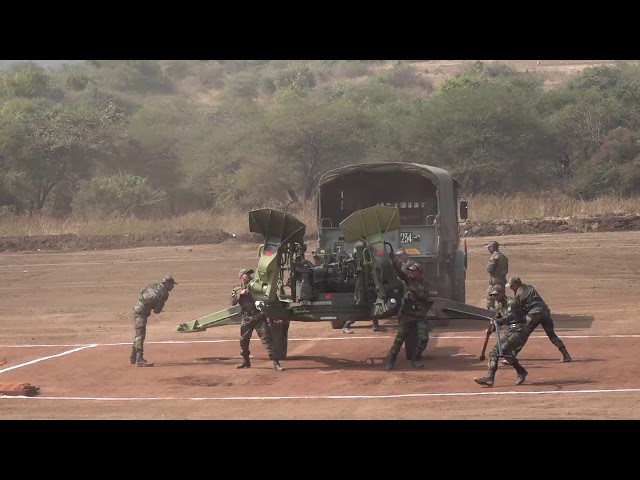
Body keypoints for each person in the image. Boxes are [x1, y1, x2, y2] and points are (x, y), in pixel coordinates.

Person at [473, 284, 530, 387]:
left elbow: (510, 316)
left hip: (519, 330)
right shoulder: (499, 305)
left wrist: (498, 322)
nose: (495, 297)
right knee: (494, 352)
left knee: (503, 350)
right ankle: (490, 378)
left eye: (496, 295)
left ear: (502, 293)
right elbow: (497, 318)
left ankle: (521, 372)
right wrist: (492, 327)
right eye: (493, 295)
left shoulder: (511, 303)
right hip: (509, 331)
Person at [505, 276, 572, 362]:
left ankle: (512, 356)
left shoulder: (519, 294)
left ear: (516, 285)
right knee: (551, 334)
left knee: (523, 334)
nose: (510, 288)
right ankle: (566, 355)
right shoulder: (529, 287)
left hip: (534, 314)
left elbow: (520, 311)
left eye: (511, 286)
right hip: (545, 312)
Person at [231, 268, 284, 372]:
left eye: (249, 274)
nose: (249, 276)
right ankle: (246, 361)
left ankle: (276, 363)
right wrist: (240, 294)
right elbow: (232, 302)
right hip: (246, 318)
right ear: (241, 277)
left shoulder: (257, 286)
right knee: (243, 341)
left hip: (258, 317)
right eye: (246, 274)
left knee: (267, 340)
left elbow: (267, 295)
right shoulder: (237, 289)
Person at [384, 261, 433, 370]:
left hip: (419, 315)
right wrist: (394, 261)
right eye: (410, 271)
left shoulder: (425, 283)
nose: (411, 273)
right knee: (399, 339)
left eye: (413, 271)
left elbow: (425, 297)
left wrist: (414, 290)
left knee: (424, 338)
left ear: (419, 272)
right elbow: (400, 273)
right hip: (407, 314)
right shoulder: (408, 280)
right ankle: (391, 361)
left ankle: (415, 359)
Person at [130, 275, 177, 367]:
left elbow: (142, 291)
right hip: (141, 314)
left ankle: (133, 357)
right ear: (166, 284)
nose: (173, 287)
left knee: (138, 334)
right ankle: (139, 359)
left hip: (137, 309)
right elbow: (157, 311)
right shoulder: (163, 294)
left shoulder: (153, 285)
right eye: (171, 285)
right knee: (140, 336)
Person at [485, 240, 508, 310]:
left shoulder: (494, 257)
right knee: (501, 298)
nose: (488, 249)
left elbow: (489, 269)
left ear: (493, 248)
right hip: (502, 279)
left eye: (489, 247)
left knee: (490, 298)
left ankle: (491, 314)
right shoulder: (503, 257)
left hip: (495, 280)